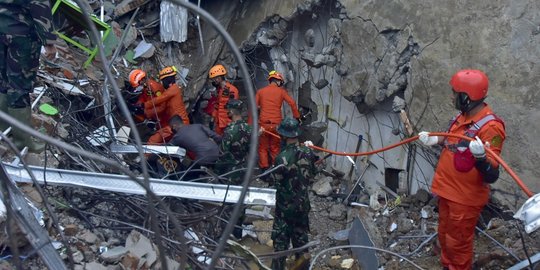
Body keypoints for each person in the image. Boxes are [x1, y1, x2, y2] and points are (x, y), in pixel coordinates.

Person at [418, 69, 505, 270]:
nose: (451, 97)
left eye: (454, 93)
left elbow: (492, 174)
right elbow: (452, 141)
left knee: (458, 243)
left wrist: (481, 158)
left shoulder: (492, 127)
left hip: (464, 199)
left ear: (466, 97)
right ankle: (447, 265)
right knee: (444, 235)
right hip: (447, 191)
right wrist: (434, 139)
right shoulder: (462, 117)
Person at [0, 0, 57, 152]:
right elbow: (39, 5)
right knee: (19, 86)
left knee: (2, 81)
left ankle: (4, 130)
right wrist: (49, 41)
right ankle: (21, 141)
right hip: (21, 34)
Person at [270, 117, 319, 270]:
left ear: (284, 136)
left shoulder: (281, 158)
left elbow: (275, 181)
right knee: (301, 244)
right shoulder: (309, 152)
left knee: (280, 245)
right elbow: (313, 172)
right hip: (302, 205)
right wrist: (311, 151)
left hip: (285, 208)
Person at [256, 70, 301, 171]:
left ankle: (264, 168)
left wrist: (251, 124)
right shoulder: (281, 92)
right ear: (277, 80)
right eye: (280, 82)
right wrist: (297, 117)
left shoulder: (260, 91)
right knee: (275, 147)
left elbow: (253, 107)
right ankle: (275, 168)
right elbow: (292, 103)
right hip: (276, 125)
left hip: (264, 125)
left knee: (263, 147)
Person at [143, 66, 190, 145]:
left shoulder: (173, 89)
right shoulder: (171, 91)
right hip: (177, 124)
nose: (162, 83)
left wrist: (144, 105)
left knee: (153, 140)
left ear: (166, 80)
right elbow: (162, 107)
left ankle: (145, 156)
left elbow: (159, 99)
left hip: (179, 124)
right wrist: (147, 113)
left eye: (162, 81)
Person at [215, 99, 252, 185]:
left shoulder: (229, 131)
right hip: (244, 169)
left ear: (231, 111)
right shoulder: (249, 128)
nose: (227, 112)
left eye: (227, 110)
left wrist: (216, 170)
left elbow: (223, 153)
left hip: (230, 171)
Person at [208, 64, 239, 135]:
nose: (213, 81)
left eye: (214, 78)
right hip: (220, 123)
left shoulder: (231, 90)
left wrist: (231, 123)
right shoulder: (220, 90)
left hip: (227, 123)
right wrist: (213, 118)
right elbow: (217, 105)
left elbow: (234, 107)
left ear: (219, 78)